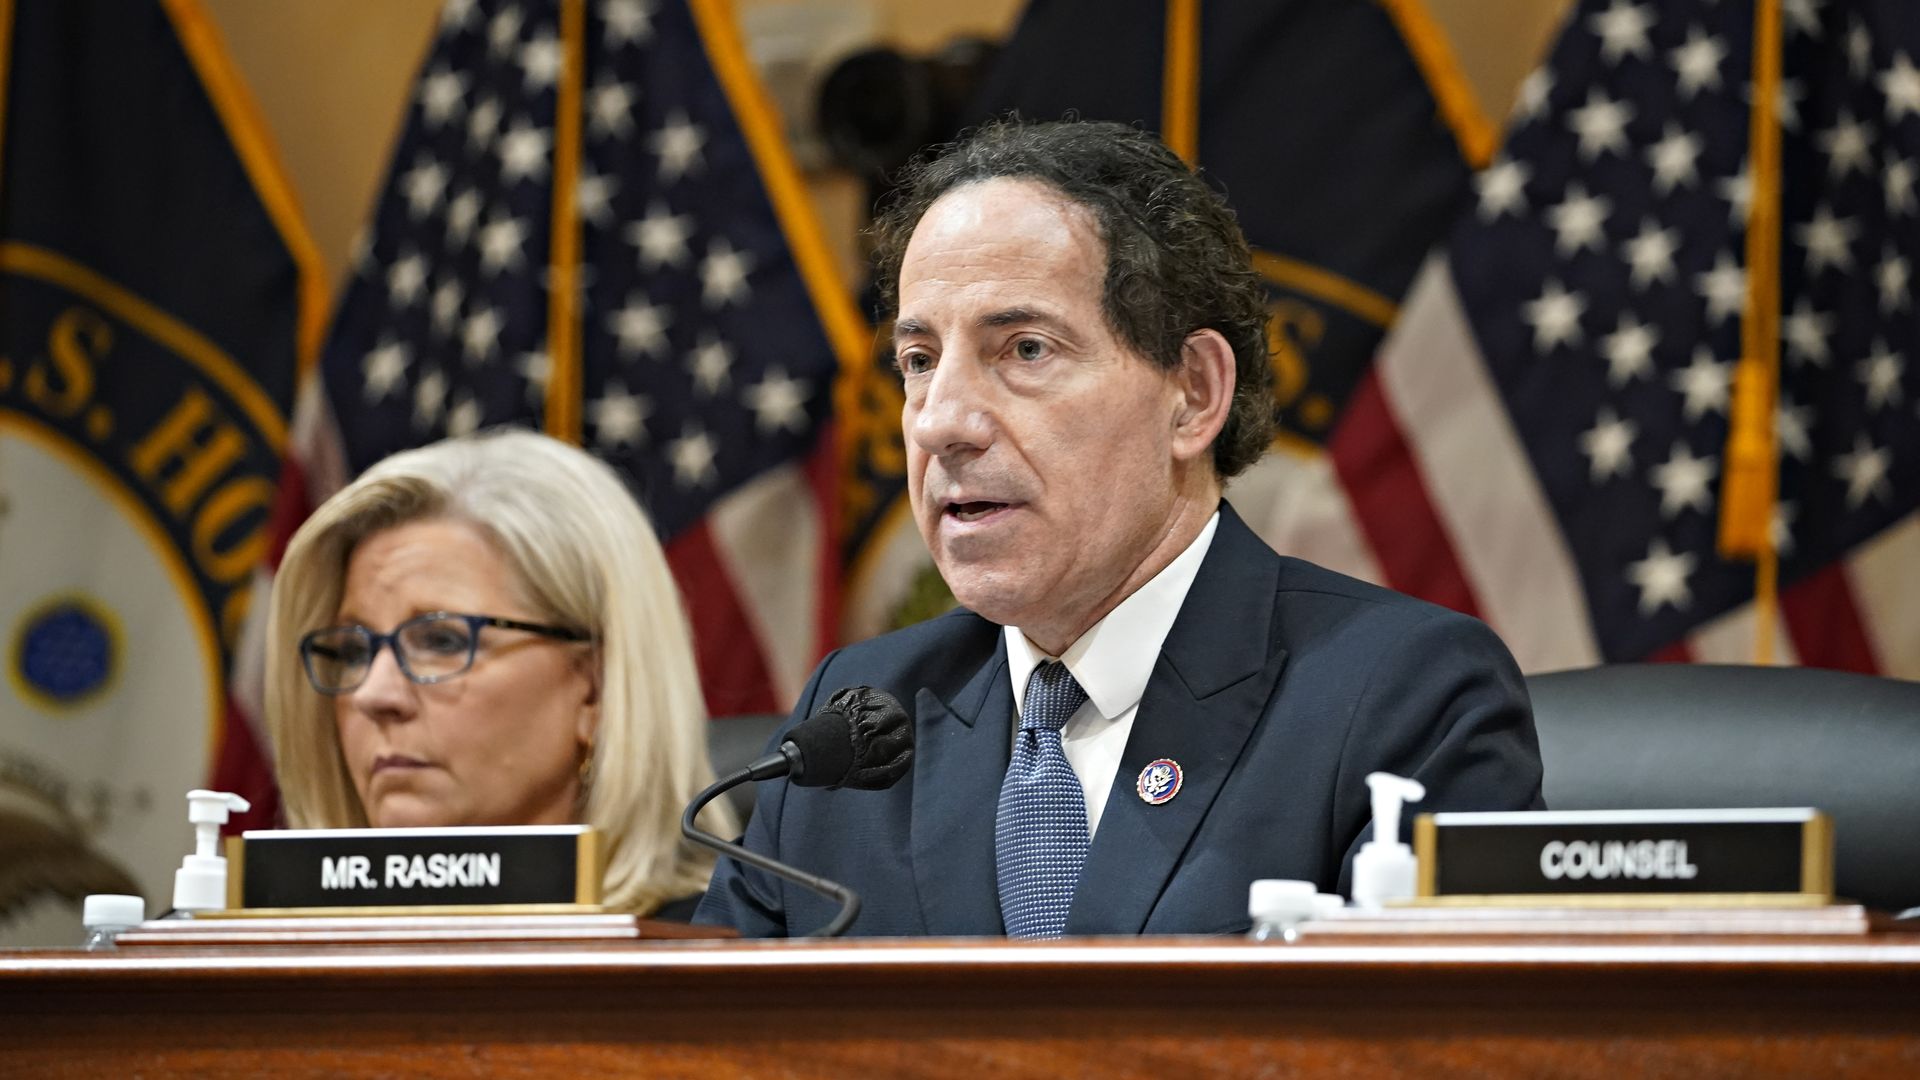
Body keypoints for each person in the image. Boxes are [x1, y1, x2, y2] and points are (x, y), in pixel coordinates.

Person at [698, 120, 1543, 938]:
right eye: (919, 361)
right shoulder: (858, 724)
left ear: (1195, 393)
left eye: (1024, 349)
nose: (937, 423)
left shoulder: (1403, 698)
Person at [266, 429, 736, 918]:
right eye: (353, 650)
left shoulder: (727, 968)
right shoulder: (236, 964)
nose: (373, 693)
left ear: (597, 688)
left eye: (442, 641)